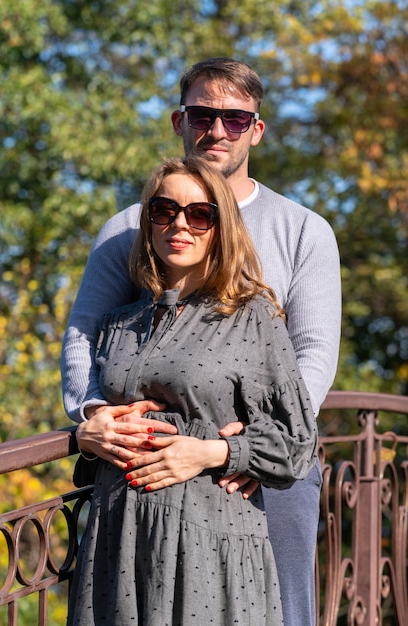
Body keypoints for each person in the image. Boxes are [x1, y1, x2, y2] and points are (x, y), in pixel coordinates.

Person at [61, 58, 341, 626]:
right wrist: (93, 413)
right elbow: (87, 331)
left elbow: (312, 351)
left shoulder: (303, 230)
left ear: (256, 129)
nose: (217, 130)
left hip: (257, 467)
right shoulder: (131, 228)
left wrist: (251, 446)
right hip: (147, 479)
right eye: (202, 114)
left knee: (279, 610)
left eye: (235, 118)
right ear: (179, 120)